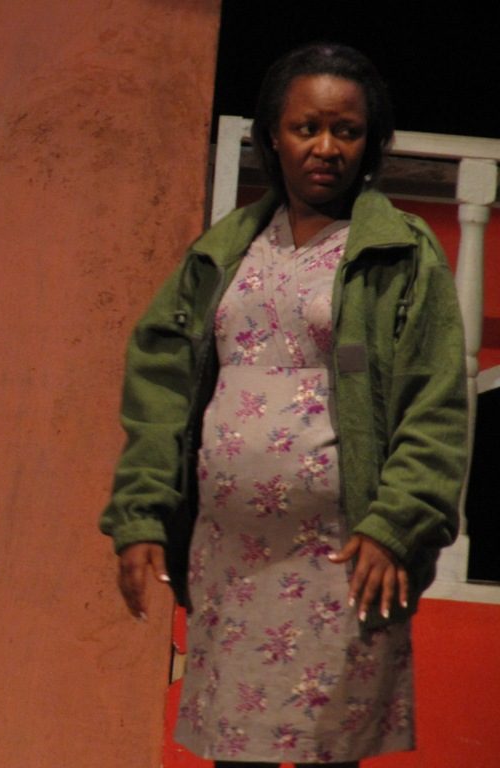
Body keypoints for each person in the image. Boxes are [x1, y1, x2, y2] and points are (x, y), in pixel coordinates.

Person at [100, 42, 467, 767]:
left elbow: (435, 402)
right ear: (274, 134)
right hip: (231, 561)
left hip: (344, 556)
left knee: (329, 755)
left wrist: (398, 521)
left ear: (371, 143)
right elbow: (160, 390)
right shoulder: (222, 253)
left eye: (347, 131)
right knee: (237, 757)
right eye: (307, 128)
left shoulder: (399, 253)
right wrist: (142, 511)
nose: (326, 147)